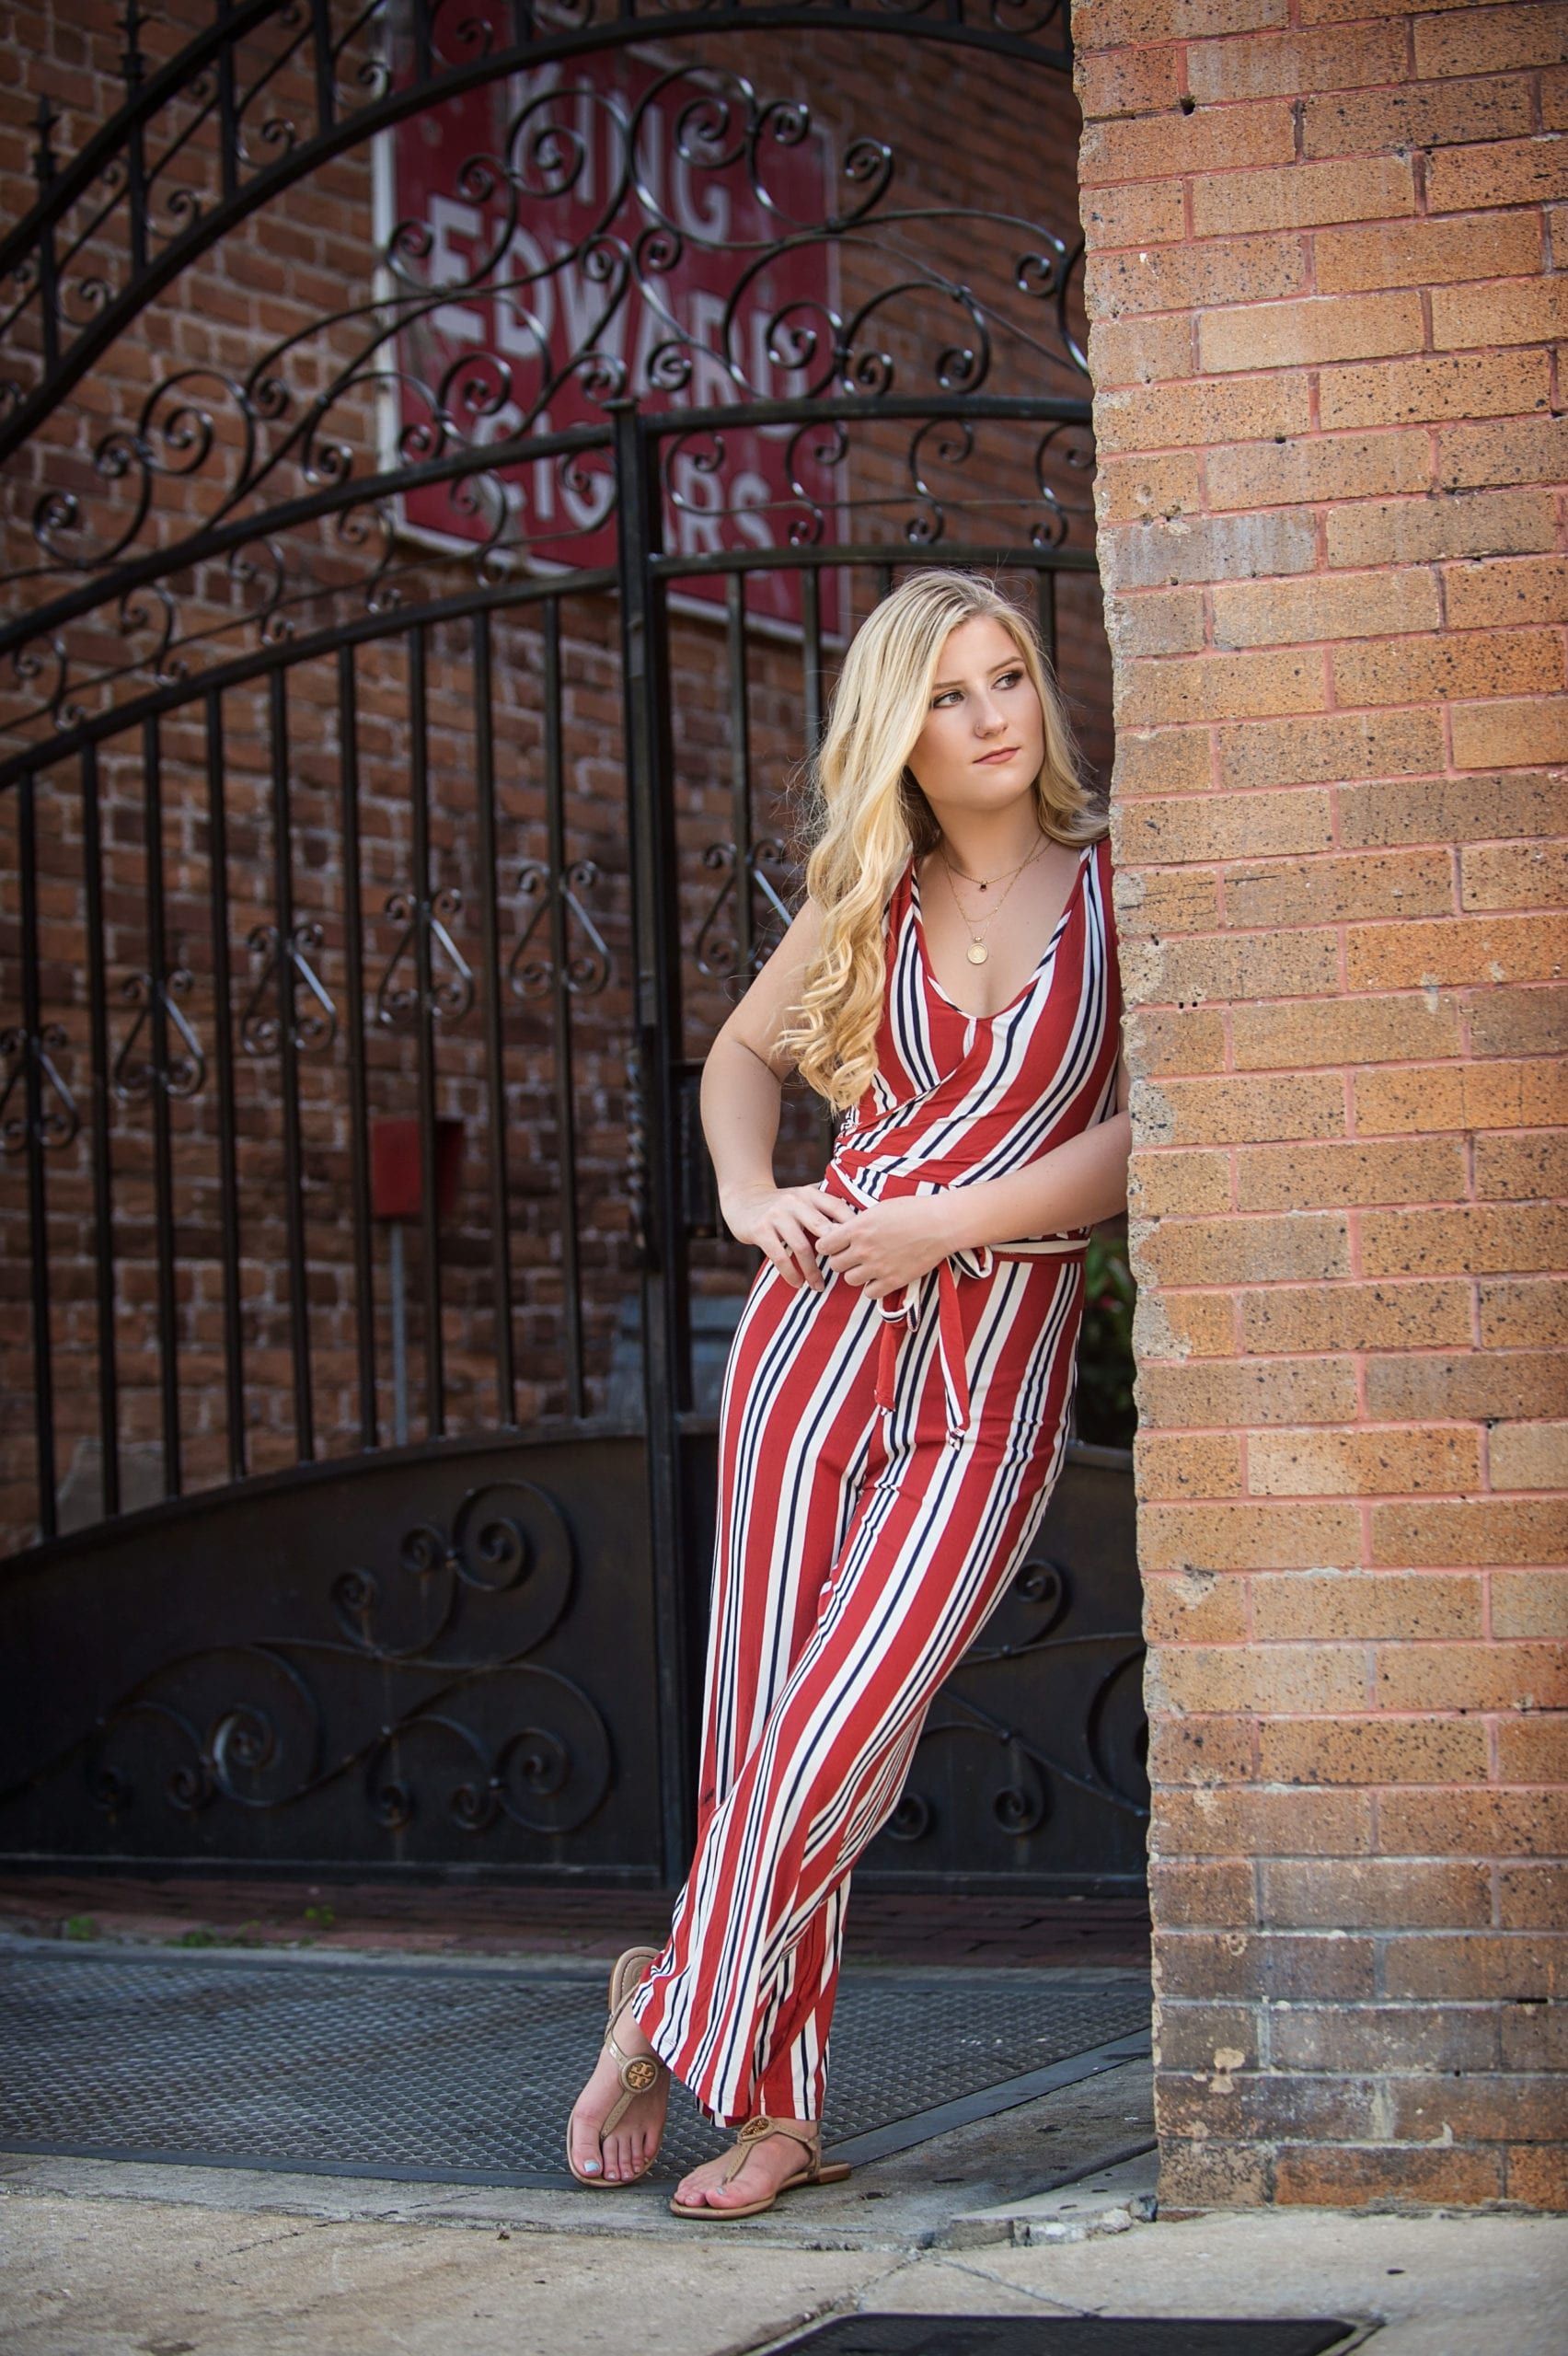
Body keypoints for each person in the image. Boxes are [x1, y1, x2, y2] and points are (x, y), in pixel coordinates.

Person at [566, 566, 1131, 2218]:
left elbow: (1143, 1134)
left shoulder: (1120, 889)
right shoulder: (869, 893)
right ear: (902, 728)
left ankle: (664, 2002)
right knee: (761, 1719)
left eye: (1009, 677)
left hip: (993, 1362)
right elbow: (739, 1062)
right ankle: (782, 2109)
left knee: (841, 1724)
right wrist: (753, 1201)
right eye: (950, 694)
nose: (993, 717)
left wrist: (949, 1221)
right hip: (812, 1353)